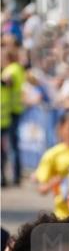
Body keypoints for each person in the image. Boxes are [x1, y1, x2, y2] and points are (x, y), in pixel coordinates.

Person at [0, 39, 25, 186]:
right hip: (11, 112)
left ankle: (9, 177)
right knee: (12, 147)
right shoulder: (18, 69)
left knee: (9, 148)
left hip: (8, 114)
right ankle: (13, 176)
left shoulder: (11, 70)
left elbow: (8, 83)